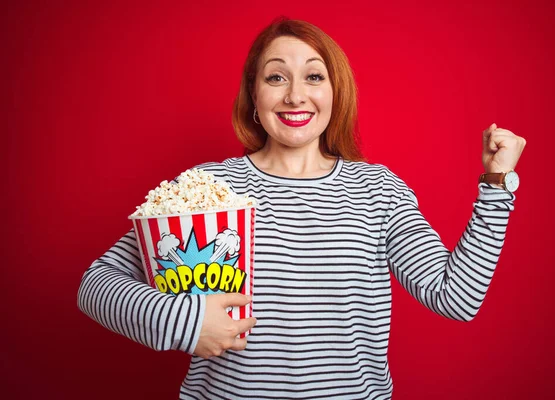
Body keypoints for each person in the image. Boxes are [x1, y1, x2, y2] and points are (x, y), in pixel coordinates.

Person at [78, 17, 526, 400]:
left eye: (314, 77)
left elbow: (456, 298)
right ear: (254, 95)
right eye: (276, 77)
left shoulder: (378, 191)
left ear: (336, 92)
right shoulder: (207, 188)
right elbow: (95, 286)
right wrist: (188, 322)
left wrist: (496, 184)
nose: (295, 95)